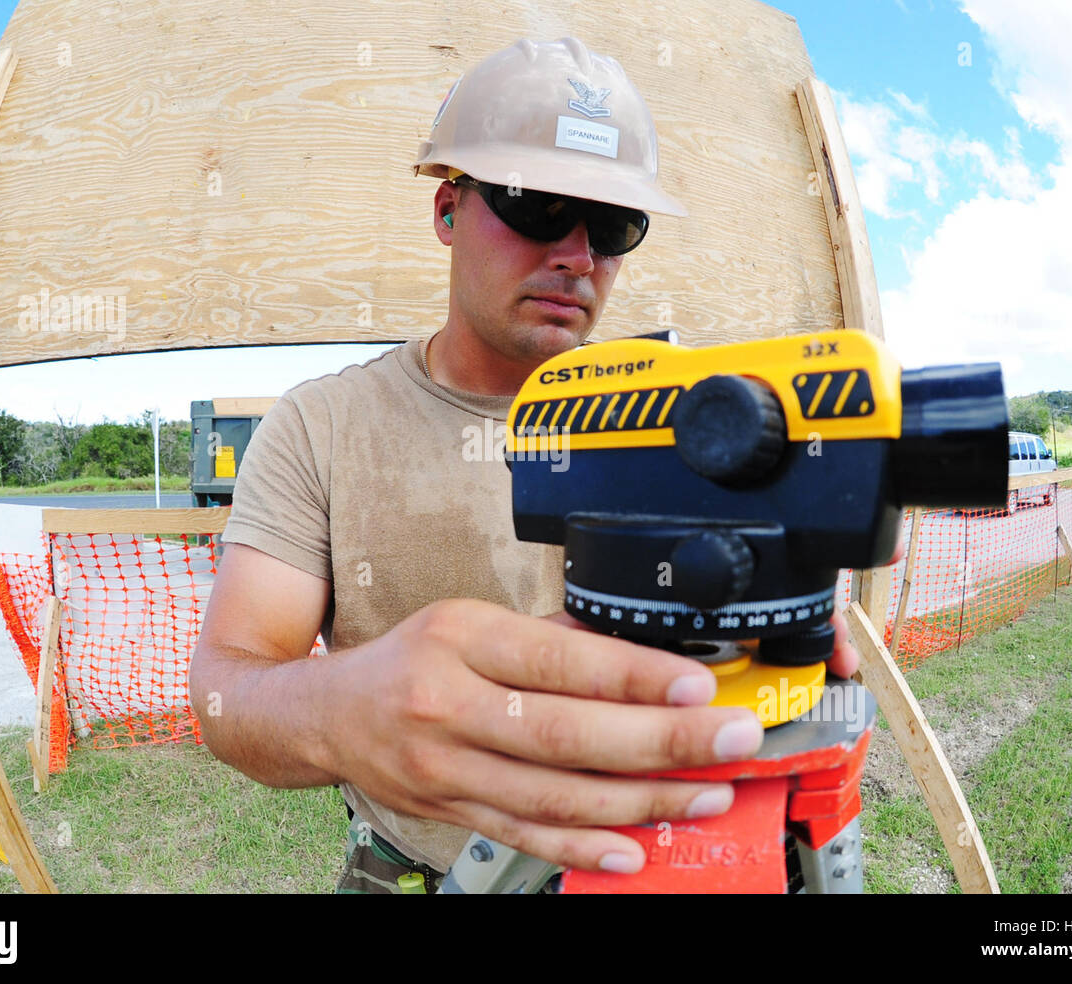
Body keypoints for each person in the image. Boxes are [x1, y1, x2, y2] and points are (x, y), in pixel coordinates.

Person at [188, 36, 862, 893]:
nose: (578, 255)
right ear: (447, 211)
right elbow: (226, 684)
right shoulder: (322, 426)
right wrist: (342, 713)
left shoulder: (692, 424)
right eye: (538, 205)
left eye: (615, 227)